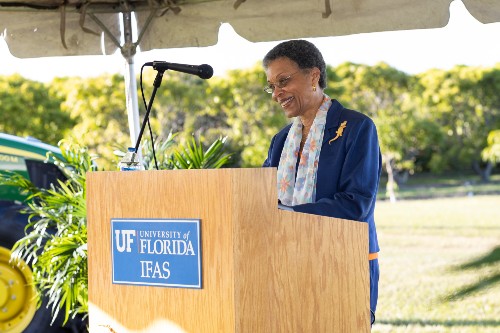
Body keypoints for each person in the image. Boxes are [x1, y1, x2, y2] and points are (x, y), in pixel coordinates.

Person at [262, 39, 381, 325]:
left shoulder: (356, 128)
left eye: (284, 81)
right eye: (271, 85)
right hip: (287, 264)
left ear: (313, 76)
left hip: (342, 262)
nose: (277, 93)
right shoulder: (280, 141)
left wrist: (289, 215)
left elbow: (356, 204)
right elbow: (261, 196)